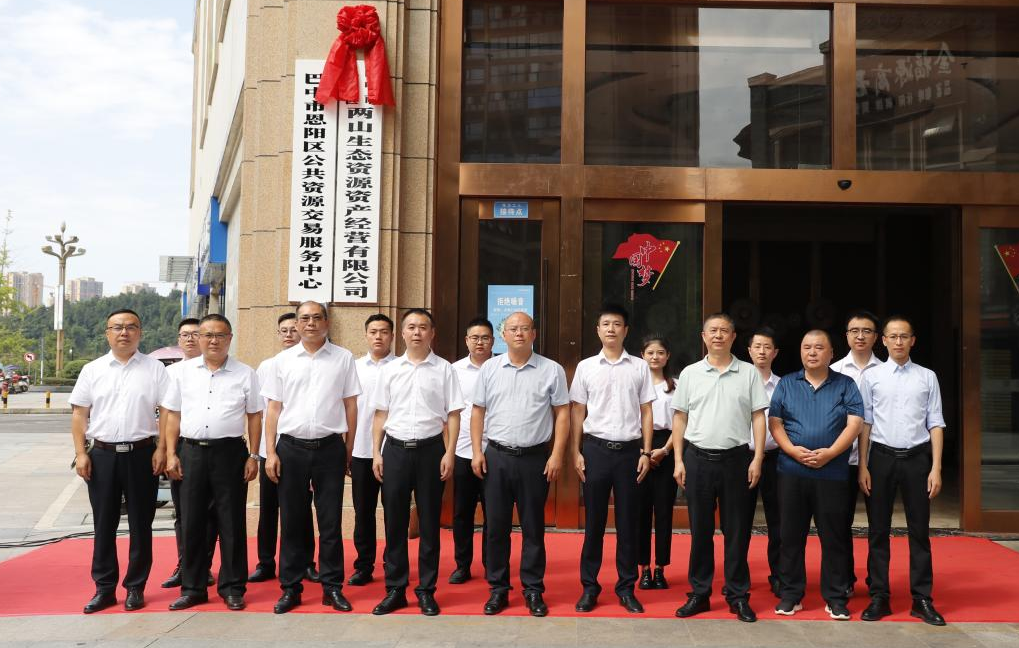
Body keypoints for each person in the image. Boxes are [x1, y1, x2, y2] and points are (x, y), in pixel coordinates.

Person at [262, 301, 361, 614]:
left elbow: (350, 406)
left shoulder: (343, 358)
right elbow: (273, 409)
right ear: (296, 323)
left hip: (330, 447)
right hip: (290, 448)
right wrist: (270, 452)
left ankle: (332, 587)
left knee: (330, 522)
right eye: (304, 318)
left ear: (326, 322)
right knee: (292, 521)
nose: (311, 323)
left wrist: (348, 448)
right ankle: (291, 588)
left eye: (317, 318)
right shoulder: (282, 361)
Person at [70, 309, 169, 614]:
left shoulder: (155, 369)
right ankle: (104, 588)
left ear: (140, 332)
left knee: (141, 523)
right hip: (102, 456)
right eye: (117, 327)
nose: (124, 332)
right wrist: (81, 453)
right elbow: (79, 414)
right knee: (104, 523)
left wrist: (163, 449)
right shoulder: (92, 370)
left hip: (142, 454)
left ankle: (135, 587)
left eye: (130, 327)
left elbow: (168, 411)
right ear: (107, 333)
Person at [470, 312, 569, 617]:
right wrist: (477, 452)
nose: (519, 333)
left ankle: (533, 589)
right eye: (513, 329)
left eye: (525, 329)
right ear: (504, 335)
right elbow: (477, 412)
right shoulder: (490, 369)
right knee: (496, 527)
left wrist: (557, 454)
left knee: (533, 528)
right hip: (496, 457)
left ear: (533, 334)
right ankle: (498, 589)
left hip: (535, 459)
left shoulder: (551, 370)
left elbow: (562, 414)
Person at [672, 313, 768, 623]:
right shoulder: (690, 373)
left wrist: (757, 458)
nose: (718, 335)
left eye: (724, 331)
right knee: (700, 531)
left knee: (736, 532)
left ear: (733, 336)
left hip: (736, 460)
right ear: (703, 336)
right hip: (697, 459)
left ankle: (738, 595)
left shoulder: (748, 373)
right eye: (712, 330)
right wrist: (678, 459)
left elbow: (758, 416)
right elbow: (680, 417)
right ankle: (699, 593)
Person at [162, 314, 262, 611]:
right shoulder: (181, 373)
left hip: (230, 453)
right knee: (192, 522)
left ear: (230, 338)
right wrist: (170, 453)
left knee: (231, 522)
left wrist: (254, 455)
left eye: (220, 335)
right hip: (190, 452)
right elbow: (173, 416)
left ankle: (233, 587)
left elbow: (254, 416)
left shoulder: (245, 373)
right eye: (207, 335)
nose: (213, 341)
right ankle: (192, 587)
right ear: (199, 338)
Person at [370, 308, 463, 616]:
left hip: (430, 451)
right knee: (394, 522)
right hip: (395, 450)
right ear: (402, 333)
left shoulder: (445, 369)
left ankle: (426, 590)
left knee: (429, 524)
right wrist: (376, 452)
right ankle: (395, 589)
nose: (417, 332)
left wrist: (449, 452)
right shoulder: (390, 370)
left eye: (423, 327)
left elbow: (453, 414)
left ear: (432, 333)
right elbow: (380, 414)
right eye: (411, 327)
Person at [768, 330, 863, 620]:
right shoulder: (786, 383)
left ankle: (835, 597)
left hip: (832, 472)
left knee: (834, 536)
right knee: (790, 535)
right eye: (807, 347)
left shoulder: (845, 384)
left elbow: (855, 424)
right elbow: (775, 422)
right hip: (792, 471)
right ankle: (790, 594)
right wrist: (792, 451)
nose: (812, 352)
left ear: (831, 353)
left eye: (819, 347)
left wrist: (830, 453)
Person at [858, 316, 947, 626]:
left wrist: (936, 467)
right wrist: (863, 465)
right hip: (881, 458)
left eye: (904, 336)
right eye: (893, 336)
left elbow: (936, 422)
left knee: (919, 531)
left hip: (917, 459)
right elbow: (865, 422)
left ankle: (921, 599)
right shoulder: (871, 377)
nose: (898, 342)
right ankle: (879, 596)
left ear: (913, 341)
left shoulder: (927, 377)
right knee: (878, 530)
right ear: (883, 340)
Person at [570, 304, 654, 614]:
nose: (611, 329)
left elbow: (647, 410)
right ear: (598, 330)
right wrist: (575, 451)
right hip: (595, 450)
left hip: (630, 452)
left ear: (625, 330)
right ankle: (589, 587)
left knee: (628, 524)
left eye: (617, 324)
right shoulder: (586, 367)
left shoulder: (639, 367)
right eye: (605, 324)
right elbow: (577, 411)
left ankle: (626, 587)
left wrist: (646, 452)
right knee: (593, 523)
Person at [248, 313, 317, 584]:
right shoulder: (268, 366)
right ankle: (266, 562)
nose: (288, 335)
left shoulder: (312, 364)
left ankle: (306, 562)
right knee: (268, 509)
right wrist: (262, 451)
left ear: (300, 330)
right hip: (271, 449)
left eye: (292, 330)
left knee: (301, 509)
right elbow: (261, 410)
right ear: (278, 334)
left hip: (299, 449)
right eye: (283, 330)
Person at [830, 310, 883, 597]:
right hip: (841, 459)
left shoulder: (885, 371)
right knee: (840, 523)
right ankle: (844, 580)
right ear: (846, 335)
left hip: (878, 458)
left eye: (866, 331)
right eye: (854, 331)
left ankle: (877, 583)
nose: (860, 336)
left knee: (878, 524)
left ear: (876, 337)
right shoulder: (834, 371)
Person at [161, 318, 217, 590]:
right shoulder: (172, 373)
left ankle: (203, 565)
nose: (190, 339)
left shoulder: (220, 370)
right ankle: (184, 564)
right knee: (183, 512)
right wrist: (166, 450)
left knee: (210, 512)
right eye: (185, 335)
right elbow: (166, 414)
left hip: (214, 448)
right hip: (183, 447)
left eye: (196, 334)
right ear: (179, 340)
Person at [347, 313, 396, 586]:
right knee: (363, 512)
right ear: (366, 335)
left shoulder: (401, 367)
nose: (378, 336)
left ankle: (393, 563)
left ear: (392, 335)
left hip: (394, 452)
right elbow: (344, 409)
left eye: (384, 331)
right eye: (373, 331)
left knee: (393, 511)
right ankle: (364, 565)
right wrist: (346, 448)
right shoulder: (353, 368)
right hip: (361, 450)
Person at [450, 316, 494, 584]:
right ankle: (462, 565)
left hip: (495, 450)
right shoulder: (453, 370)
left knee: (494, 513)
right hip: (463, 450)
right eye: (475, 338)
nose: (480, 342)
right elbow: (448, 412)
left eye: (485, 338)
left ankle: (492, 564)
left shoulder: (501, 368)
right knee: (462, 512)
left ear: (493, 341)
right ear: (466, 340)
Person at [636, 334, 678, 591]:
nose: (655, 357)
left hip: (667, 447)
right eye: (650, 352)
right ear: (642, 355)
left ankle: (661, 567)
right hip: (639, 447)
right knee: (640, 513)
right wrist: (644, 451)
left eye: (660, 352)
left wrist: (664, 449)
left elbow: (682, 422)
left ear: (667, 356)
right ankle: (643, 568)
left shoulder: (676, 385)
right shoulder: (635, 383)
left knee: (664, 512)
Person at [745, 327, 782, 597]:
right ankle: (738, 576)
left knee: (778, 521)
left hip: (776, 458)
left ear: (775, 352)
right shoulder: (738, 381)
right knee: (739, 520)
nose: (761, 351)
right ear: (749, 351)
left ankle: (778, 575)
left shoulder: (784, 385)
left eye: (767, 347)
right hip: (742, 457)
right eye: (757, 346)